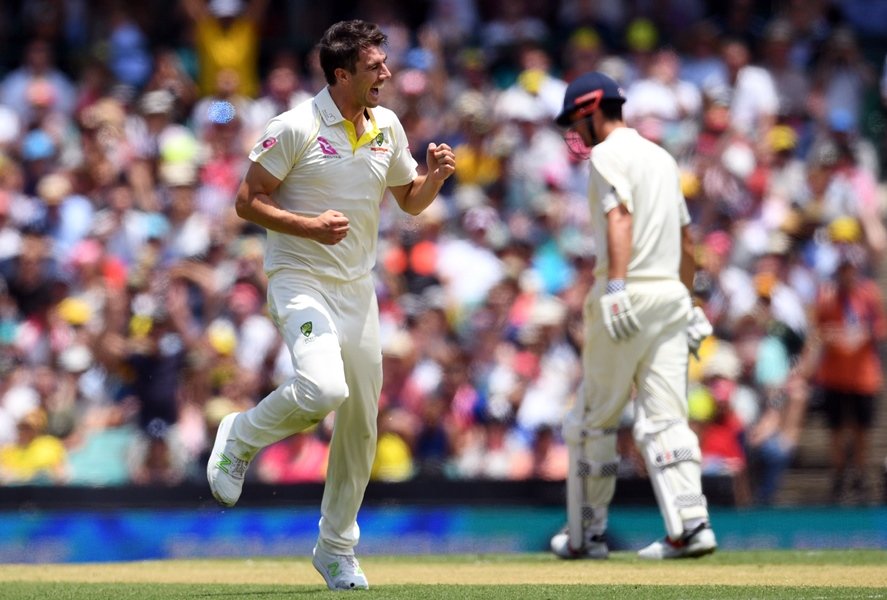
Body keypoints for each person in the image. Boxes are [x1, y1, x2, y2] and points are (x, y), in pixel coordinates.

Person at [206, 20, 455, 590]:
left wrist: (435, 177)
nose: (387, 75)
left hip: (357, 290)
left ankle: (336, 547)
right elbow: (247, 202)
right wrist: (307, 226)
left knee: (362, 425)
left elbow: (409, 201)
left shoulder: (387, 125)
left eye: (384, 64)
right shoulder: (293, 126)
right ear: (341, 75)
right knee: (323, 390)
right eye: (375, 67)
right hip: (299, 278)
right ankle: (239, 437)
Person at [548, 71, 717, 560]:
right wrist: (690, 301)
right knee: (665, 418)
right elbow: (687, 240)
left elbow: (618, 216)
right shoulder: (662, 157)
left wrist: (618, 285)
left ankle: (585, 535)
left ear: (593, 109)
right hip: (669, 297)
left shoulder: (607, 155)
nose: (576, 134)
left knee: (591, 421)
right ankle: (691, 524)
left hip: (628, 294)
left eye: (577, 121)